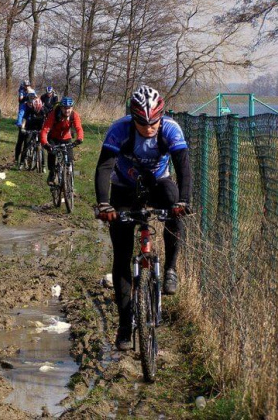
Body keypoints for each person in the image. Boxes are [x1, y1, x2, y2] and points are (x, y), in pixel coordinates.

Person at [93, 85, 192, 351]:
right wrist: (104, 204)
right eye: (142, 123)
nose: (149, 128)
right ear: (133, 117)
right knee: (122, 254)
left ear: (161, 116)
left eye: (153, 123)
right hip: (124, 187)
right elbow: (103, 167)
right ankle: (125, 325)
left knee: (174, 204)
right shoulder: (119, 130)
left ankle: (170, 269)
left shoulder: (171, 129)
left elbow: (183, 166)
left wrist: (184, 201)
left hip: (158, 182)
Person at [40, 96, 84, 184]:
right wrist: (45, 143)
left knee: (70, 160)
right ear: (61, 107)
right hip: (54, 137)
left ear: (72, 108)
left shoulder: (74, 115)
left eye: (69, 108)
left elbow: (79, 128)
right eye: (65, 108)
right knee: (52, 153)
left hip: (66, 138)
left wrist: (79, 138)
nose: (67, 110)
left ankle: (69, 178)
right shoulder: (54, 114)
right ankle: (52, 173)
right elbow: (45, 130)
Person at [19, 95, 47, 169]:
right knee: (26, 145)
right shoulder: (30, 110)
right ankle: (21, 163)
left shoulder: (44, 110)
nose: (37, 110)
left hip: (40, 128)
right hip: (30, 128)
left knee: (42, 146)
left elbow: (47, 121)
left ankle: (43, 165)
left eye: (38, 108)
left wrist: (47, 130)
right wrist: (22, 128)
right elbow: (24, 119)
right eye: (35, 108)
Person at [15, 80, 35, 164]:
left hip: (33, 122)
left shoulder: (33, 94)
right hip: (24, 122)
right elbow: (21, 114)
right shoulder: (22, 92)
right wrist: (19, 123)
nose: (26, 87)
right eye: (25, 86)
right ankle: (16, 158)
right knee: (20, 141)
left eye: (28, 85)